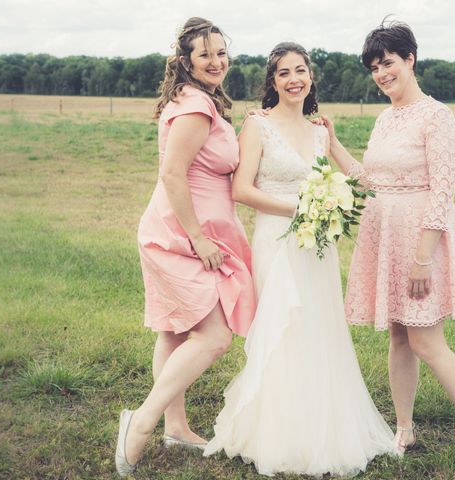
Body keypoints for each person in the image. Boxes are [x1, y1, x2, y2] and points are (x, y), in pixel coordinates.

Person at [320, 19, 455, 470]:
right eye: (374, 67)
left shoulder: (436, 116)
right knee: (398, 337)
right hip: (385, 236)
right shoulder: (386, 118)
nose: (381, 73)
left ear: (410, 59)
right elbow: (370, 180)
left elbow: (443, 193)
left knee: (427, 342)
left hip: (421, 244)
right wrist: (333, 146)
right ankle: (404, 426)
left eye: (388, 63)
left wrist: (423, 258)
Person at [203, 42, 399, 477]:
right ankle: (278, 433)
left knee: (318, 328)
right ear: (272, 82)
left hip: (317, 248)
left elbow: (357, 177)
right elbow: (242, 191)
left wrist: (338, 156)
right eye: (284, 73)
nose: (294, 79)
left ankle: (322, 427)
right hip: (277, 239)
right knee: (282, 330)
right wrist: (301, 208)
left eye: (301, 71)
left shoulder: (319, 131)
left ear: (311, 77)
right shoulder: (258, 125)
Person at [114, 17, 256, 477]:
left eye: (221, 52)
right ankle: (143, 420)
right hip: (181, 236)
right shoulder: (195, 106)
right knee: (213, 336)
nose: (216, 62)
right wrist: (197, 237)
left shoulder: (200, 100)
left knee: (174, 331)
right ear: (185, 62)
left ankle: (175, 427)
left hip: (187, 231)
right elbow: (173, 174)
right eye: (204, 54)